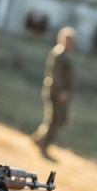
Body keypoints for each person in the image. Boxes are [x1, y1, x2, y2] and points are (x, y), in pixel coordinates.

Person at [31, 26, 77, 156]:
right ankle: (44, 144)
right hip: (57, 92)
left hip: (64, 93)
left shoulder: (68, 54)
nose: (71, 43)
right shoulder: (59, 54)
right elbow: (56, 75)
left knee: (62, 119)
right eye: (69, 40)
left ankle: (40, 138)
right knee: (55, 119)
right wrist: (62, 91)